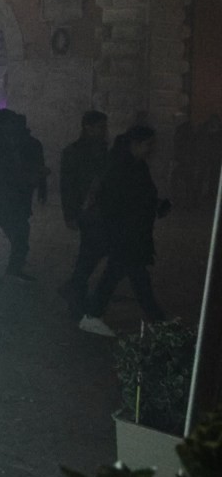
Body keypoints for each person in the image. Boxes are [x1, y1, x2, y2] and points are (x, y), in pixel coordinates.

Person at [79, 125, 171, 336]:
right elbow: (117, 201)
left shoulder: (136, 165)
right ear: (135, 143)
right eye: (148, 144)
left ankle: (93, 315)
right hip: (126, 232)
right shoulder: (122, 167)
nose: (151, 149)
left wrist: (155, 204)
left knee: (122, 275)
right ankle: (158, 322)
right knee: (135, 278)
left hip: (131, 232)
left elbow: (140, 195)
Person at [56, 110, 110, 318]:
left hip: (98, 210)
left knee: (89, 252)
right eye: (100, 127)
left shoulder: (102, 149)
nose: (104, 131)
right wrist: (69, 214)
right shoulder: (74, 152)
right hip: (87, 210)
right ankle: (75, 291)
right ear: (88, 127)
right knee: (91, 252)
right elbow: (67, 186)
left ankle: (75, 291)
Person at [0, 109, 37, 282]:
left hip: (4, 198)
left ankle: (1, 269)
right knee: (17, 234)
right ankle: (8, 269)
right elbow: (4, 171)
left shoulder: (7, 143)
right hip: (2, 198)